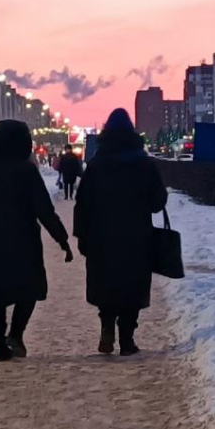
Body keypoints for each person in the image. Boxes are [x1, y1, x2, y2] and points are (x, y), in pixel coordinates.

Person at [0, 120, 72, 361]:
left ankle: (0, 346)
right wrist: (62, 239)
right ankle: (16, 334)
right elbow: (44, 210)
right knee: (29, 289)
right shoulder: (26, 171)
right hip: (22, 243)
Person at [73, 109, 167, 356]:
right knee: (132, 285)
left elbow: (82, 203)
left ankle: (106, 327)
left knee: (106, 283)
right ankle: (127, 338)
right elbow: (158, 201)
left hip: (101, 236)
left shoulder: (96, 164)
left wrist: (81, 235)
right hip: (136, 236)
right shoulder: (144, 164)